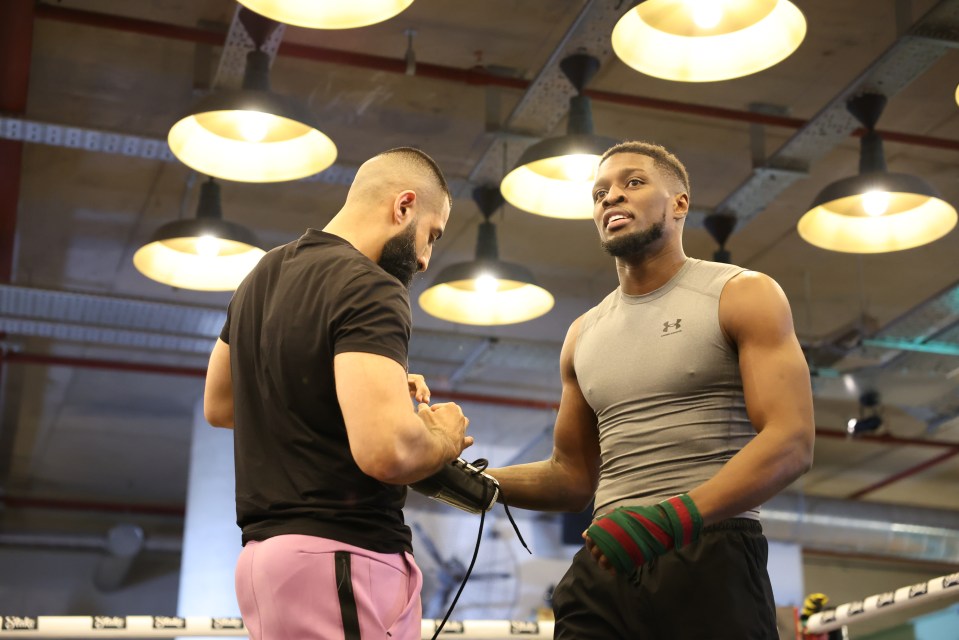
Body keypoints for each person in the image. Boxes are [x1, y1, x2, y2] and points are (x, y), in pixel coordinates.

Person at [488, 141, 815, 639]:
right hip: (606, 560)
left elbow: (791, 441)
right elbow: (571, 477)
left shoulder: (742, 293)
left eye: (633, 183)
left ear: (679, 203)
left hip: (710, 550)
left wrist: (672, 518)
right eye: (600, 193)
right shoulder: (583, 333)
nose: (611, 198)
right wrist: (468, 481)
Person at [203, 147, 473, 640]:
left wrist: (367, 397)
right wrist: (445, 437)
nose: (425, 257)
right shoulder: (372, 286)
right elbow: (385, 453)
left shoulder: (260, 275)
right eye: (431, 234)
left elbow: (220, 405)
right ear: (404, 206)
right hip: (342, 553)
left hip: (270, 562)